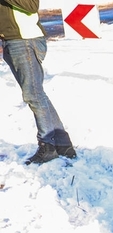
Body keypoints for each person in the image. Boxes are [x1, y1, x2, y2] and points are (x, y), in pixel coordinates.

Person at [0, 0, 75, 164]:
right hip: (12, 40)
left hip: (25, 40)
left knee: (33, 95)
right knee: (37, 93)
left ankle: (47, 146)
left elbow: (31, 5)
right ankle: (63, 144)